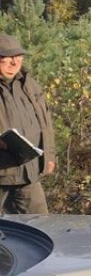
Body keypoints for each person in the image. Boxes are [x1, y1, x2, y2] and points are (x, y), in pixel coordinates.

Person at [0, 34, 55, 213]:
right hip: (2, 172)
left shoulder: (30, 85)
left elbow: (45, 123)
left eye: (18, 58)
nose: (14, 64)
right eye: (7, 59)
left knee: (40, 228)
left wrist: (50, 155)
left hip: (28, 173)